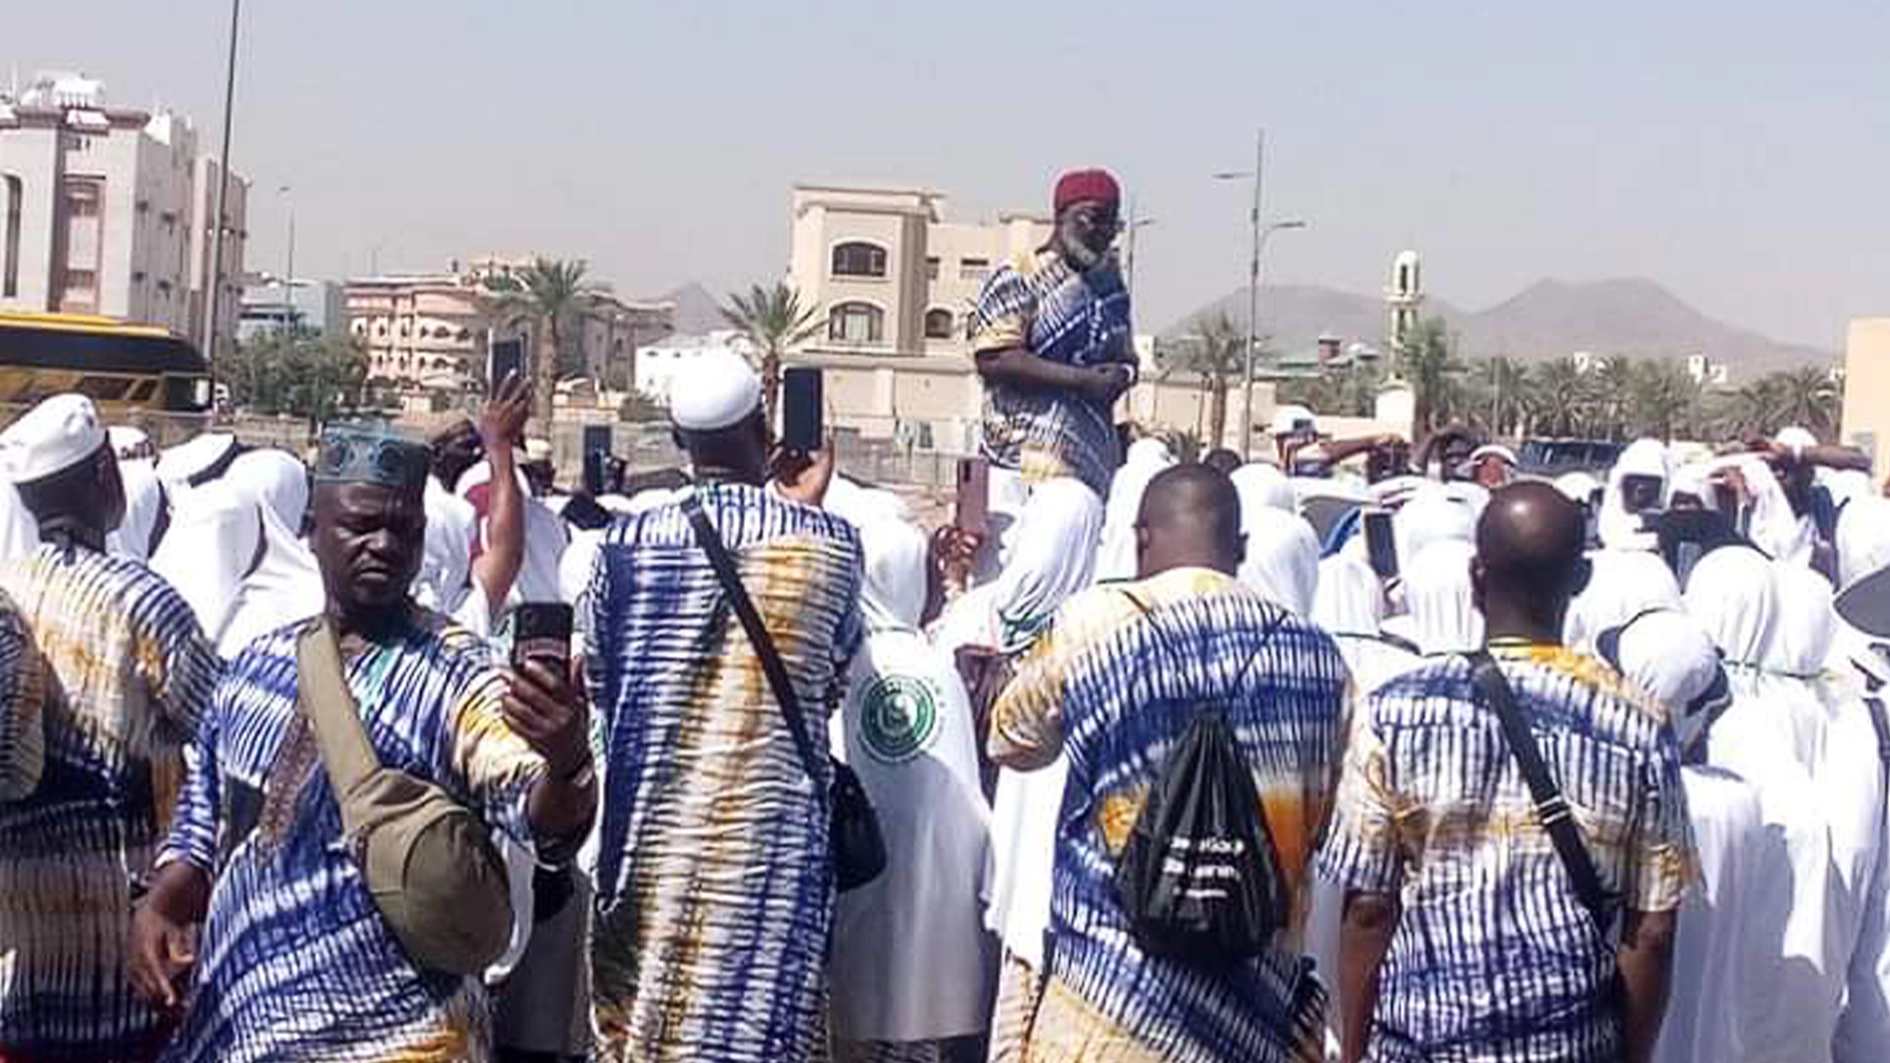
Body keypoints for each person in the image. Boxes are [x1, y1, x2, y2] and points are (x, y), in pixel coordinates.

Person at [129, 423, 595, 1061]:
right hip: (245, 1027)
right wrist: (160, 904)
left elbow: (541, 815)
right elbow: (202, 823)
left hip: (400, 1036)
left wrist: (565, 764)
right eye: (361, 525)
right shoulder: (255, 668)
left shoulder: (458, 676)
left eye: (403, 530)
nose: (384, 545)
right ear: (312, 530)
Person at [1320, 482, 1694, 1063]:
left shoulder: (1393, 711)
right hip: (1570, 1046)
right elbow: (1653, 931)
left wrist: (1352, 1052)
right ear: (1580, 579)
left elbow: (1369, 908)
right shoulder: (1639, 723)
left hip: (1421, 1045)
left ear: (1477, 577)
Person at [988, 464, 1350, 1062]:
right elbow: (1327, 817)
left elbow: (1011, 740)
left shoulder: (1093, 622)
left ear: (1141, 538)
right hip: (1252, 1019)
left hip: (1106, 1012)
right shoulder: (1320, 659)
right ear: (1240, 548)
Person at [584, 350, 862, 1062]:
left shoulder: (623, 545)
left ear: (679, 440)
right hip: (772, 855)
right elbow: (832, 675)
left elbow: (602, 683)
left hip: (651, 846)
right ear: (765, 429)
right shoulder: (830, 542)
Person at [0, 394, 224, 1063]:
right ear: (105, 472)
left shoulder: (9, 589)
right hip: (125, 944)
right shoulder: (142, 601)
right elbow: (223, 725)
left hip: (19, 941)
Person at [826, 515, 994, 1063]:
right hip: (929, 890)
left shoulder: (839, 667)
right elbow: (962, 798)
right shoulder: (934, 666)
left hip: (853, 880)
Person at [968, 167, 1135, 616]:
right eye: (1092, 218)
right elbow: (995, 358)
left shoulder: (1110, 286)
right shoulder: (1018, 275)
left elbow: (1127, 356)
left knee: (1071, 602)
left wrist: (1121, 375)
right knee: (1005, 594)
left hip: (1088, 467)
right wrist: (1082, 381)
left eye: (1112, 222)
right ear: (1061, 215)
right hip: (1019, 466)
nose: (1102, 232)